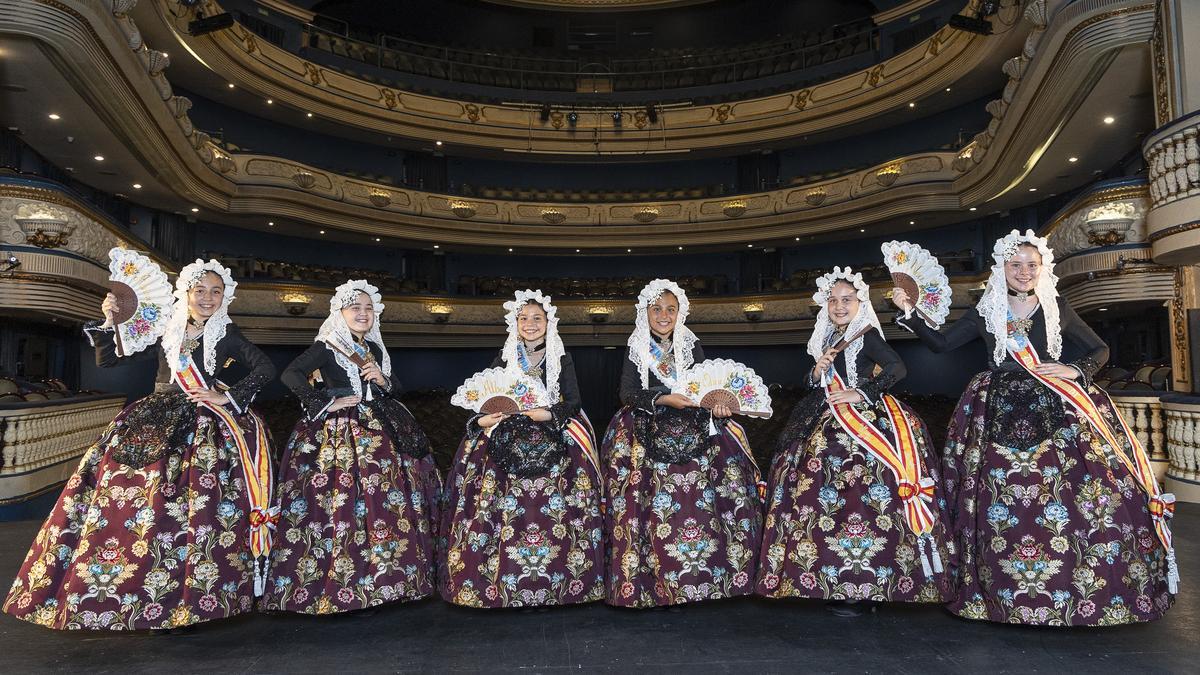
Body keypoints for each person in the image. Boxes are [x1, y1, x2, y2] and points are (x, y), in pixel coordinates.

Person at [893, 229, 1176, 626]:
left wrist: (1074, 370)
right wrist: (909, 313)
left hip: (1055, 405)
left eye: (1031, 265)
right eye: (1015, 265)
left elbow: (1100, 349)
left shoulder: (1055, 306)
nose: (1024, 272)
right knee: (993, 498)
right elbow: (941, 345)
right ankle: (997, 591)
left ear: (1042, 268)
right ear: (1002, 269)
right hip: (994, 407)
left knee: (1073, 493)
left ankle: (1077, 590)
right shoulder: (984, 309)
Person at [3, 259, 277, 630]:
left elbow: (265, 368)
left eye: (216, 291)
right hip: (156, 416)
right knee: (132, 501)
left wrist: (226, 396)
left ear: (225, 296)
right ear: (187, 293)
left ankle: (200, 592)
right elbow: (110, 359)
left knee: (203, 507)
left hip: (205, 424)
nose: (208, 298)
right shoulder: (166, 326)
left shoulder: (227, 332)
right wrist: (110, 321)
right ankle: (129, 584)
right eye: (201, 291)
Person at [755, 268, 951, 615]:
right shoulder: (826, 335)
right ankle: (826, 576)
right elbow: (814, 380)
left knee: (864, 494)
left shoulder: (867, 333)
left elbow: (897, 368)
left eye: (847, 300)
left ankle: (868, 583)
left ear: (860, 303)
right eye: (833, 300)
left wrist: (862, 393)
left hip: (865, 423)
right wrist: (817, 372)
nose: (839, 305)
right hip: (826, 414)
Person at [264, 280, 441, 614]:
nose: (362, 314)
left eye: (368, 309)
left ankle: (387, 583)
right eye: (355, 308)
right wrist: (323, 402)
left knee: (386, 505)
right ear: (340, 313)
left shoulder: (373, 348)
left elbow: (395, 387)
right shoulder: (328, 345)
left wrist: (383, 380)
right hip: (339, 439)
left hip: (382, 433)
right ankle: (342, 585)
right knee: (341, 506)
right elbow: (291, 375)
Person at [603, 279, 762, 608]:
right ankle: (651, 581)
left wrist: (716, 406)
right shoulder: (636, 346)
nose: (663, 315)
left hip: (693, 424)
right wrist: (663, 398)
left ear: (680, 313)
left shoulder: (692, 344)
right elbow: (628, 393)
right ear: (645, 312)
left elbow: (706, 387)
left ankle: (707, 579)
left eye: (670, 309)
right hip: (649, 423)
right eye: (657, 309)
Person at [440, 290, 604, 608]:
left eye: (537, 318)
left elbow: (573, 401)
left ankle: (561, 577)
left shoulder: (561, 357)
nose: (530, 324)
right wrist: (487, 417)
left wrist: (548, 414)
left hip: (553, 430)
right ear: (514, 323)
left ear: (548, 323)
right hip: (509, 434)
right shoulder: (503, 358)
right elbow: (481, 399)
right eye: (524, 318)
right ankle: (499, 579)